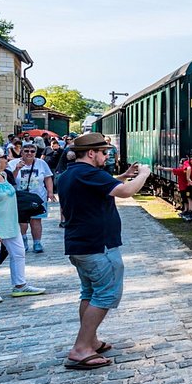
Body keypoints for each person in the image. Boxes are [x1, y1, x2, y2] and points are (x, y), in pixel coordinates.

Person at [55, 133, 150, 370]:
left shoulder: (70, 174)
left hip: (80, 245)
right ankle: (81, 348)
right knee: (105, 295)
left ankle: (91, 340)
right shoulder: (90, 174)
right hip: (99, 246)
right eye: (104, 152)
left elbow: (100, 184)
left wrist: (123, 176)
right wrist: (144, 175)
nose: (106, 157)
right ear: (91, 153)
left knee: (89, 293)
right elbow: (127, 192)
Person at [0, 146, 47, 304]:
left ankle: (20, 285)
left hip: (11, 224)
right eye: (3, 156)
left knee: (18, 253)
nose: (7, 159)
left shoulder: (3, 175)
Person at [8, 144, 56, 254]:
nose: (29, 153)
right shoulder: (12, 163)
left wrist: (50, 192)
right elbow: (9, 180)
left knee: (36, 220)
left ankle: (37, 242)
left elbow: (48, 178)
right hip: (20, 197)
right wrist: (17, 169)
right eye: (26, 151)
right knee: (21, 221)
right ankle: (23, 241)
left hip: (38, 196)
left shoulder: (41, 163)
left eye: (32, 151)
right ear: (21, 152)